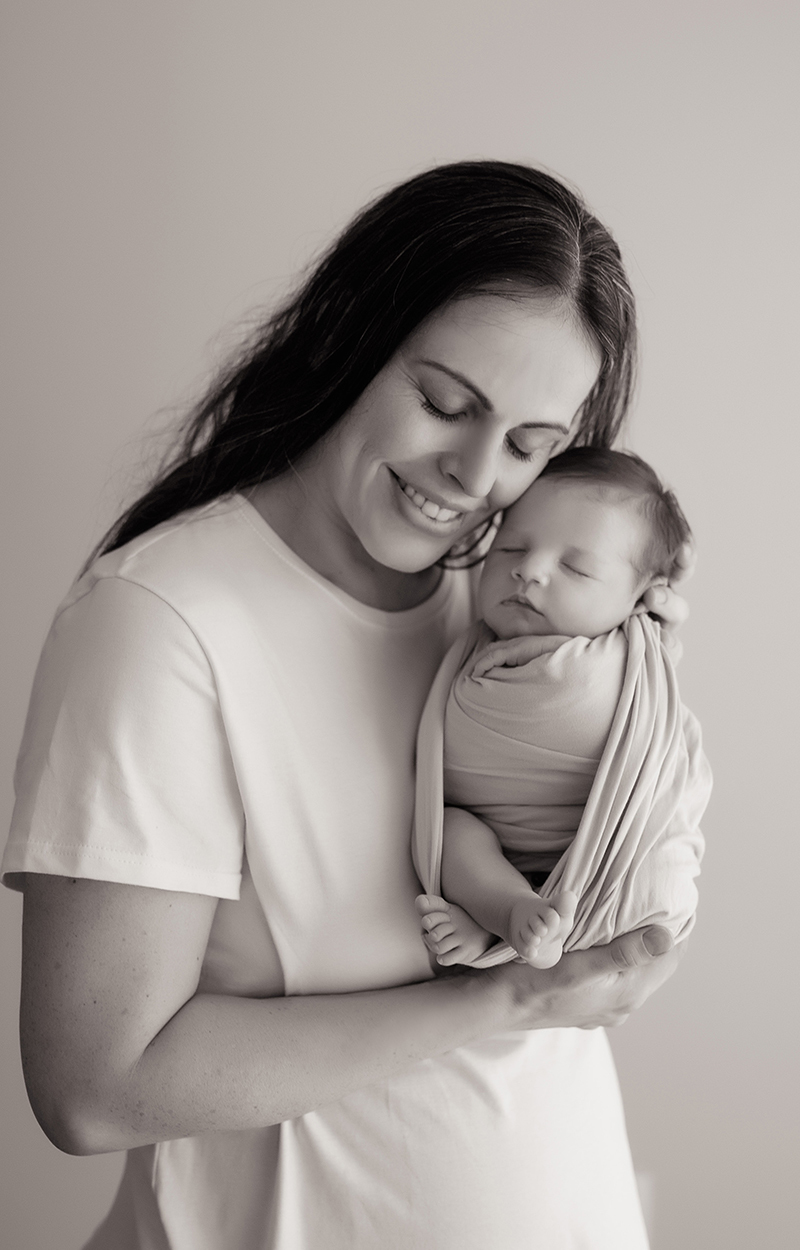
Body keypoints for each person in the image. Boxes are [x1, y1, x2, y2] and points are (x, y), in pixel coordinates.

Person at [3, 161, 695, 1250]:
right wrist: (506, 998)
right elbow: (94, 1086)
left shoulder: (513, 607)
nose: (474, 474)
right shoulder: (166, 620)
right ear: (345, 336)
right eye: (443, 402)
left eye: (528, 444)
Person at [415, 447, 710, 971]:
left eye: (575, 567)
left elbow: (645, 707)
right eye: (509, 549)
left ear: (642, 601)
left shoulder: (619, 661)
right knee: (456, 832)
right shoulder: (478, 645)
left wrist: (652, 640)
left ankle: (509, 924)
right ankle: (506, 913)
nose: (528, 570)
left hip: (608, 860)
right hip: (502, 847)